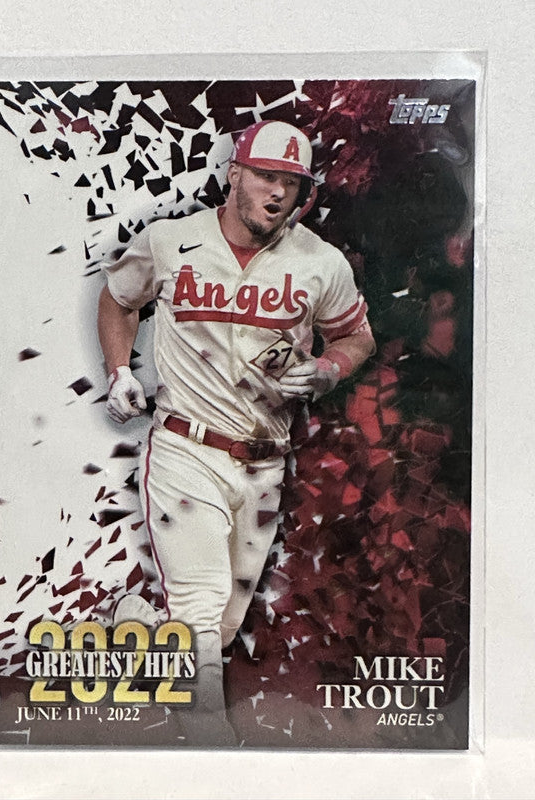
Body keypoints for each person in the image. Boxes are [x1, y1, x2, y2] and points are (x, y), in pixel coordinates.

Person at [97, 120, 375, 744]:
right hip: (185, 446)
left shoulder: (319, 261)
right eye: (266, 177)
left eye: (291, 183)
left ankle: (138, 631)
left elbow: (357, 335)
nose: (278, 193)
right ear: (235, 174)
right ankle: (210, 744)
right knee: (201, 601)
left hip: (265, 461)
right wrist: (119, 371)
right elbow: (118, 299)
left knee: (221, 625)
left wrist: (330, 369)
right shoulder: (170, 240)